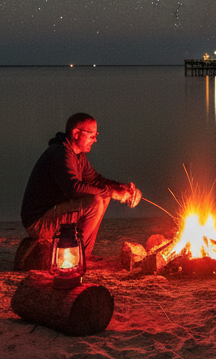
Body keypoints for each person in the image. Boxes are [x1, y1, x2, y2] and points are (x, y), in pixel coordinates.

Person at [20, 112, 141, 261]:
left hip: (52, 215)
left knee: (104, 197)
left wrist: (122, 188)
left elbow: (96, 179)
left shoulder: (77, 155)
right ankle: (77, 257)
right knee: (96, 201)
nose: (95, 140)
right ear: (76, 133)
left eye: (96, 135)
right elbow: (73, 188)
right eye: (92, 135)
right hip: (38, 222)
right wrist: (111, 192)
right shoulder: (60, 153)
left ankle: (85, 254)